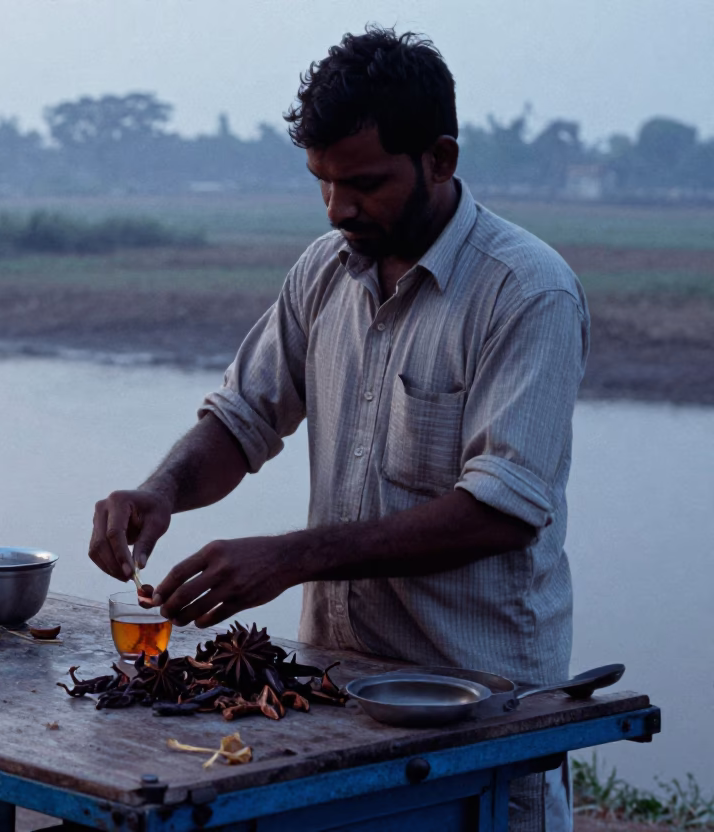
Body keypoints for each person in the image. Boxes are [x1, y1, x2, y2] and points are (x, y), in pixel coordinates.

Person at [87, 26, 588, 832]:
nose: (338, 207)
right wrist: (160, 489)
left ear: (441, 158)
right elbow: (241, 420)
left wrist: (290, 556)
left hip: (478, 710)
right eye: (321, 181)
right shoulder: (326, 269)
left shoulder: (526, 293)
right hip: (335, 696)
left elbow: (500, 509)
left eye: (364, 183)